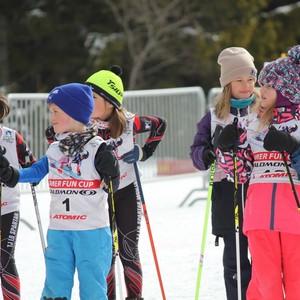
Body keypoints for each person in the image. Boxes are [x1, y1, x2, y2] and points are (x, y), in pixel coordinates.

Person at [0, 83, 120, 300]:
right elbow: (37, 170)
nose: (51, 117)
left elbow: (112, 184)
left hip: (91, 231)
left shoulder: (97, 148)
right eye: (51, 112)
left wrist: (112, 171)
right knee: (55, 286)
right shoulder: (55, 148)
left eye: (56, 112)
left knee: (93, 287)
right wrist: (13, 175)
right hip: (59, 230)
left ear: (74, 114)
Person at [216, 45, 300, 299]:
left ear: (286, 92)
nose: (259, 90)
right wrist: (226, 149)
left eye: (268, 86)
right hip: (259, 216)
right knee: (265, 281)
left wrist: (292, 147)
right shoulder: (250, 122)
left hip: (294, 215)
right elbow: (239, 173)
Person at [190, 47, 259, 300]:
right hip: (226, 191)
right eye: (239, 79)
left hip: (259, 189)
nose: (246, 85)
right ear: (227, 82)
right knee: (235, 259)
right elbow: (197, 153)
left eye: (251, 79)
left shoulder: (263, 108)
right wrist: (207, 153)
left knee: (262, 258)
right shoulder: (213, 116)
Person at [0, 93, 36, 300]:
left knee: (5, 258)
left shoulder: (12, 137)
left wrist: (25, 174)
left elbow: (32, 166)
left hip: (8, 207)